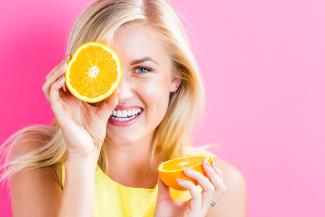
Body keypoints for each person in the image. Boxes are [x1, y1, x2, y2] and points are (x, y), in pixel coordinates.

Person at [0, 0, 247, 216]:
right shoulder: (38, 157)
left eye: (142, 70)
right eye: (106, 73)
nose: (119, 94)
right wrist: (82, 158)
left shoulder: (214, 187)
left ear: (175, 78)